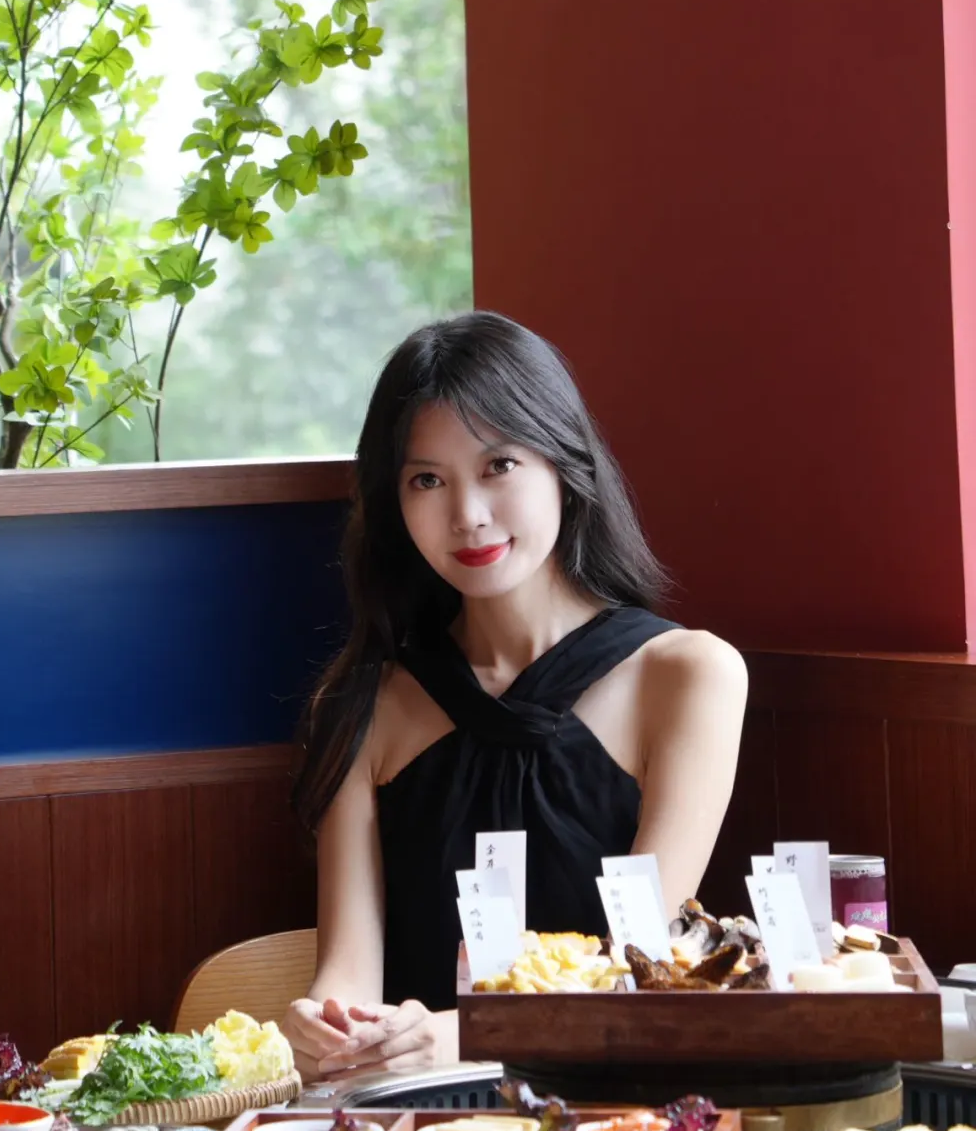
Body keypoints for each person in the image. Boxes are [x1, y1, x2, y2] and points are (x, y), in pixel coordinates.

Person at [283, 311, 747, 1081]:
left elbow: (639, 965)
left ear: (564, 461)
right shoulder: (364, 700)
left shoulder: (688, 676)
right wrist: (325, 1024)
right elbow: (349, 973)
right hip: (422, 1111)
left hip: (622, 1107)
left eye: (498, 464)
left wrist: (465, 1035)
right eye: (427, 480)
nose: (467, 514)